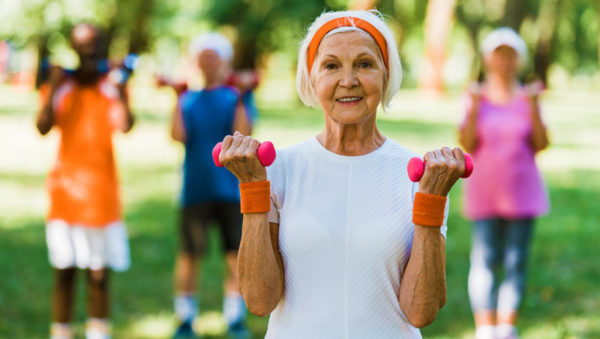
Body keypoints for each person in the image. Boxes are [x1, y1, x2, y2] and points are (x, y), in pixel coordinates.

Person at [217, 10, 470, 338]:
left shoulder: (421, 178)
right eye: (331, 65)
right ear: (312, 77)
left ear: (385, 74)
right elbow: (259, 300)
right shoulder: (278, 170)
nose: (348, 80)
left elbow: (420, 310)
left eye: (364, 64)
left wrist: (431, 201)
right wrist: (253, 188)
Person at [35, 24, 134, 339]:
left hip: (102, 194)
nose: (90, 50)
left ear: (103, 45)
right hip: (66, 192)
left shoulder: (110, 84)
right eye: (83, 44)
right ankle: (61, 332)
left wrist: (119, 87)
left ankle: (98, 333)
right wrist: (51, 87)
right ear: (73, 48)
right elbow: (42, 126)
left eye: (94, 43)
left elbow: (125, 124)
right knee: (64, 271)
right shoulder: (61, 84)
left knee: (99, 273)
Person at [459, 27, 550, 339]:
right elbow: (467, 143)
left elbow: (541, 143)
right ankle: (485, 328)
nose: (503, 61)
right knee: (483, 261)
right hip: (484, 193)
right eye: (498, 54)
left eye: (510, 54)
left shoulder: (529, 97)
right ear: (488, 58)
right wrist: (472, 105)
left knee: (516, 261)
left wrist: (535, 105)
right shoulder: (474, 97)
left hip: (523, 194)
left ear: (518, 60)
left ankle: (506, 326)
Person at [170, 32, 254, 338]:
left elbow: (244, 136)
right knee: (190, 254)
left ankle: (234, 317)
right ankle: (185, 317)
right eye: (202, 56)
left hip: (230, 190)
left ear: (223, 61)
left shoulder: (234, 98)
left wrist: (244, 95)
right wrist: (175, 98)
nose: (207, 62)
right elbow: (178, 136)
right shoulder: (188, 99)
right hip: (195, 188)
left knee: (235, 254)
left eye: (213, 56)